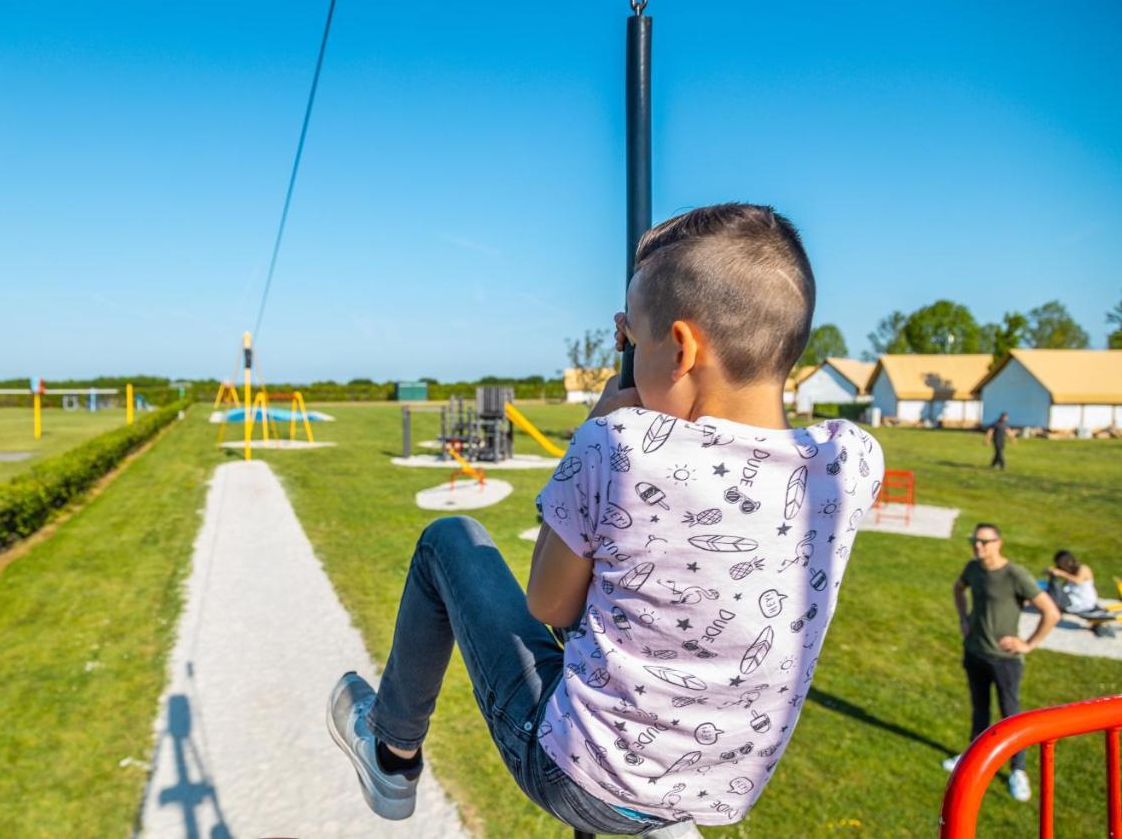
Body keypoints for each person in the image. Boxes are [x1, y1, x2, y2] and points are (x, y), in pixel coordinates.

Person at [327, 203, 884, 833]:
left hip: (582, 779)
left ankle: (390, 751)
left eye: (635, 343)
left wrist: (598, 422)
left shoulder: (617, 446)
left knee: (449, 540)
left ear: (680, 348)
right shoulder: (850, 461)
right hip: (721, 789)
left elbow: (550, 606)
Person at [943, 523, 1060, 802]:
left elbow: (1051, 612)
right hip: (974, 652)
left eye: (984, 541)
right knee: (979, 709)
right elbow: (958, 589)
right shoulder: (973, 568)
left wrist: (1028, 644)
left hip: (1005, 661)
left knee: (1011, 715)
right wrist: (963, 617)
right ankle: (971, 758)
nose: (978, 546)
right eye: (974, 540)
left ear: (999, 542)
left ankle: (1017, 771)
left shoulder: (1014, 575)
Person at [1044, 550, 1099, 615]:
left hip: (1083, 600)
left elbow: (1078, 581)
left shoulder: (1083, 568)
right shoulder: (1070, 570)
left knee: (1054, 591)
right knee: (1051, 588)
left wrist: (1060, 573)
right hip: (1073, 598)